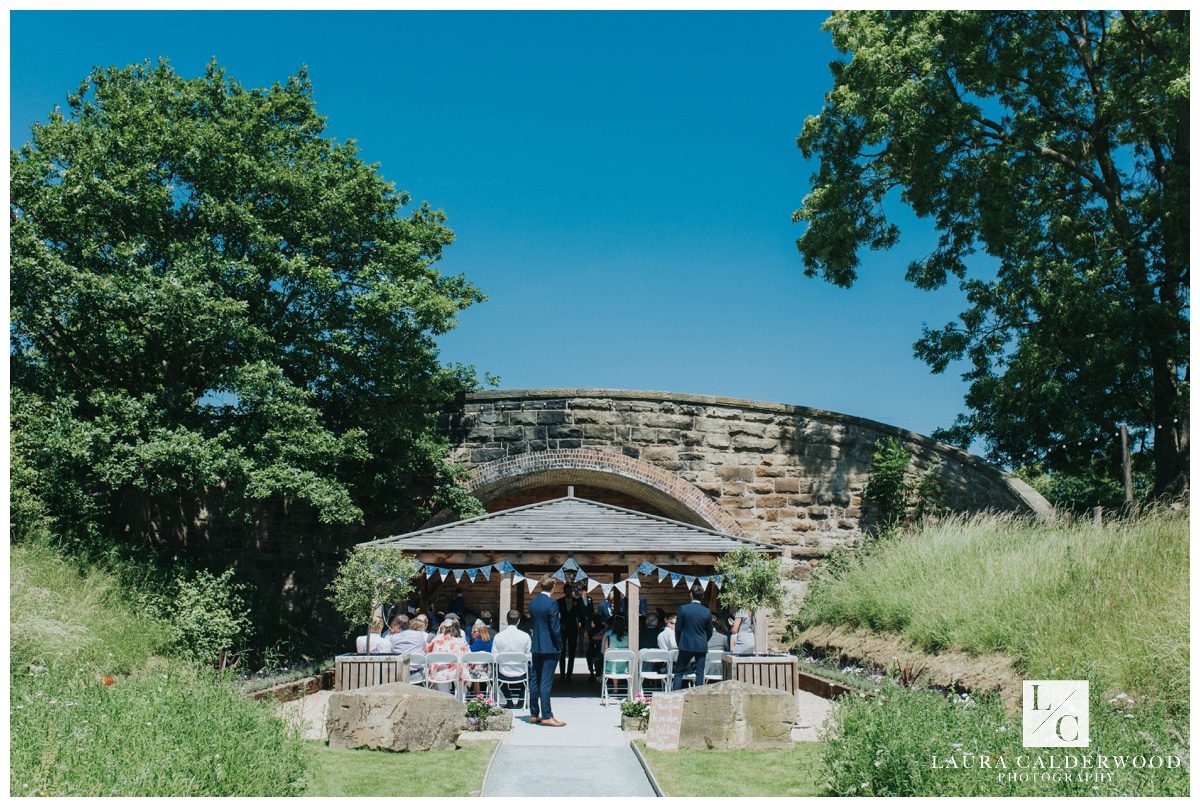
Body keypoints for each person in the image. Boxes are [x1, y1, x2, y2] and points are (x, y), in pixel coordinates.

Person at [528, 574, 565, 727]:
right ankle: (547, 716)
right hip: (550, 646)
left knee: (535, 679)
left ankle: (534, 714)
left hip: (536, 645)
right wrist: (560, 645)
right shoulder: (552, 604)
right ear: (553, 587)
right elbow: (555, 628)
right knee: (546, 682)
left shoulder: (533, 603)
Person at [672, 583, 713, 690]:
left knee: (679, 672)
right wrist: (704, 640)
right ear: (702, 596)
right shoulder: (707, 611)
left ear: (691, 595)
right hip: (701, 645)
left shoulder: (683, 609)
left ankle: (675, 696)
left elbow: (678, 628)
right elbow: (709, 631)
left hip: (685, 644)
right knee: (699, 673)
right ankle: (698, 698)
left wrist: (678, 642)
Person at [492, 609, 533, 707]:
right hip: (522, 673)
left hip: (503, 673)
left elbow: (494, 657)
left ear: (507, 620)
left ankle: (509, 700)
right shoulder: (525, 636)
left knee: (495, 670)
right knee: (530, 672)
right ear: (519, 621)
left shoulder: (498, 636)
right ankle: (521, 700)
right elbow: (528, 656)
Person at [425, 618, 469, 695]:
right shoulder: (461, 640)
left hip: (439, 672)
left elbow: (428, 650)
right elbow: (467, 656)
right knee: (461, 669)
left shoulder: (438, 638)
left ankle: (445, 696)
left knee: (441, 672)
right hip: (456, 672)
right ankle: (461, 698)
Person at [558, 584, 582, 681]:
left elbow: (580, 614)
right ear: (564, 591)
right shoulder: (559, 601)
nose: (568, 592)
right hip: (563, 628)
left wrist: (580, 624)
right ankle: (562, 674)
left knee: (572, 651)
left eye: (570, 590)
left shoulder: (577, 601)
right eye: (567, 590)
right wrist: (560, 624)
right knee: (562, 651)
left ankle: (569, 674)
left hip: (573, 628)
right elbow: (556, 615)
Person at [584, 610, 607, 684]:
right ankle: (596, 672)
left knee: (590, 655)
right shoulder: (603, 628)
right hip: (597, 649)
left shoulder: (592, 630)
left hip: (596, 649)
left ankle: (592, 673)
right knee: (592, 655)